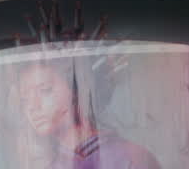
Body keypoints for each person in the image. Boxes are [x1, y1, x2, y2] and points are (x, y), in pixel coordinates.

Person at [16, 58, 161, 169]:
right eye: (24, 99)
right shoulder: (53, 163)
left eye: (45, 90)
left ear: (76, 90)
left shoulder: (127, 157)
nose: (32, 106)